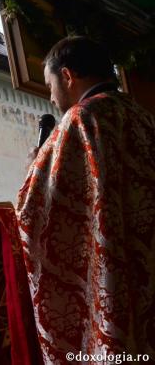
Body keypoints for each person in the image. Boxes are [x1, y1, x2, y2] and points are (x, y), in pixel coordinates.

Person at [17, 36, 155, 362]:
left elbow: (32, 207)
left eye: (51, 85)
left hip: (116, 289)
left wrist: (35, 165)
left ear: (67, 76)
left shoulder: (80, 120)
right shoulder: (144, 118)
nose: (51, 98)